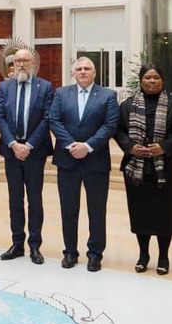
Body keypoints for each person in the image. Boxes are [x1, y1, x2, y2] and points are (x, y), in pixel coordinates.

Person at [115, 63, 172, 275]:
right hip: (135, 168)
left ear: (163, 81)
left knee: (165, 214)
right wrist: (130, 147)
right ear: (141, 81)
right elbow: (118, 130)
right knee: (140, 213)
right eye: (148, 77)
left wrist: (164, 147)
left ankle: (163, 256)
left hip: (167, 169)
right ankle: (143, 255)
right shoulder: (128, 105)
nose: (152, 81)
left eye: (156, 77)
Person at [48, 56, 120, 272]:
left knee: (96, 210)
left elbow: (110, 125)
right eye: (79, 68)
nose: (82, 72)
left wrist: (87, 146)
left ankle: (95, 254)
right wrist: (71, 145)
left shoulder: (108, 95)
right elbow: (54, 120)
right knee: (68, 209)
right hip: (67, 160)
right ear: (74, 73)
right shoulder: (62, 94)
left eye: (87, 68)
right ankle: (70, 252)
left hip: (96, 162)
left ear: (94, 72)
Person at [0, 48, 54, 264]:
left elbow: (47, 118)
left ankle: (35, 245)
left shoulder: (45, 87)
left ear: (33, 63)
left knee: (35, 199)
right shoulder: (4, 87)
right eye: (17, 61)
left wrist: (28, 145)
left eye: (25, 60)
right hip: (11, 152)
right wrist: (13, 144)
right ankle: (17, 243)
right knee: (15, 199)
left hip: (35, 152)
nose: (21, 64)